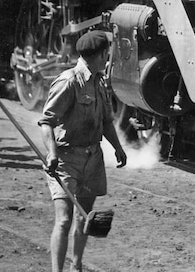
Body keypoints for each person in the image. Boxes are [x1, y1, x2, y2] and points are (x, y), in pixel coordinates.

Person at [39, 30, 128, 272]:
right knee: (65, 219)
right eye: (106, 54)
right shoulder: (69, 81)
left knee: (83, 218)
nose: (107, 58)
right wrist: (52, 153)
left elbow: (107, 120)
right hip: (66, 160)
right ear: (99, 54)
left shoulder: (100, 82)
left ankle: (75, 267)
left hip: (93, 159)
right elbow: (46, 121)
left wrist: (117, 147)